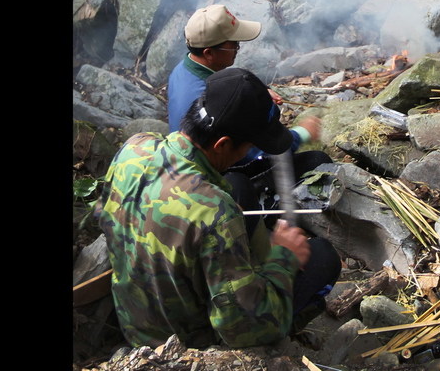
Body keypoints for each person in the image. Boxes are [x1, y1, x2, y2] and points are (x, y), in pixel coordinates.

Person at [97, 67, 342, 349]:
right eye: (248, 145)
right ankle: (284, 340)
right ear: (223, 143)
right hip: (183, 343)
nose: (247, 151)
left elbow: (102, 216)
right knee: (323, 257)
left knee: (236, 182)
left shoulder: (134, 147)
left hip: (133, 320)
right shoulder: (215, 212)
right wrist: (283, 260)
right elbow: (243, 329)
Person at [167, 4, 329, 234]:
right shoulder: (203, 103)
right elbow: (257, 150)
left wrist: (256, 94)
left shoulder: (184, 71)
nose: (237, 48)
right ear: (209, 53)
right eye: (233, 44)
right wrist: (301, 134)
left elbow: (225, 88)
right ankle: (270, 222)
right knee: (318, 162)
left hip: (204, 163)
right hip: (219, 175)